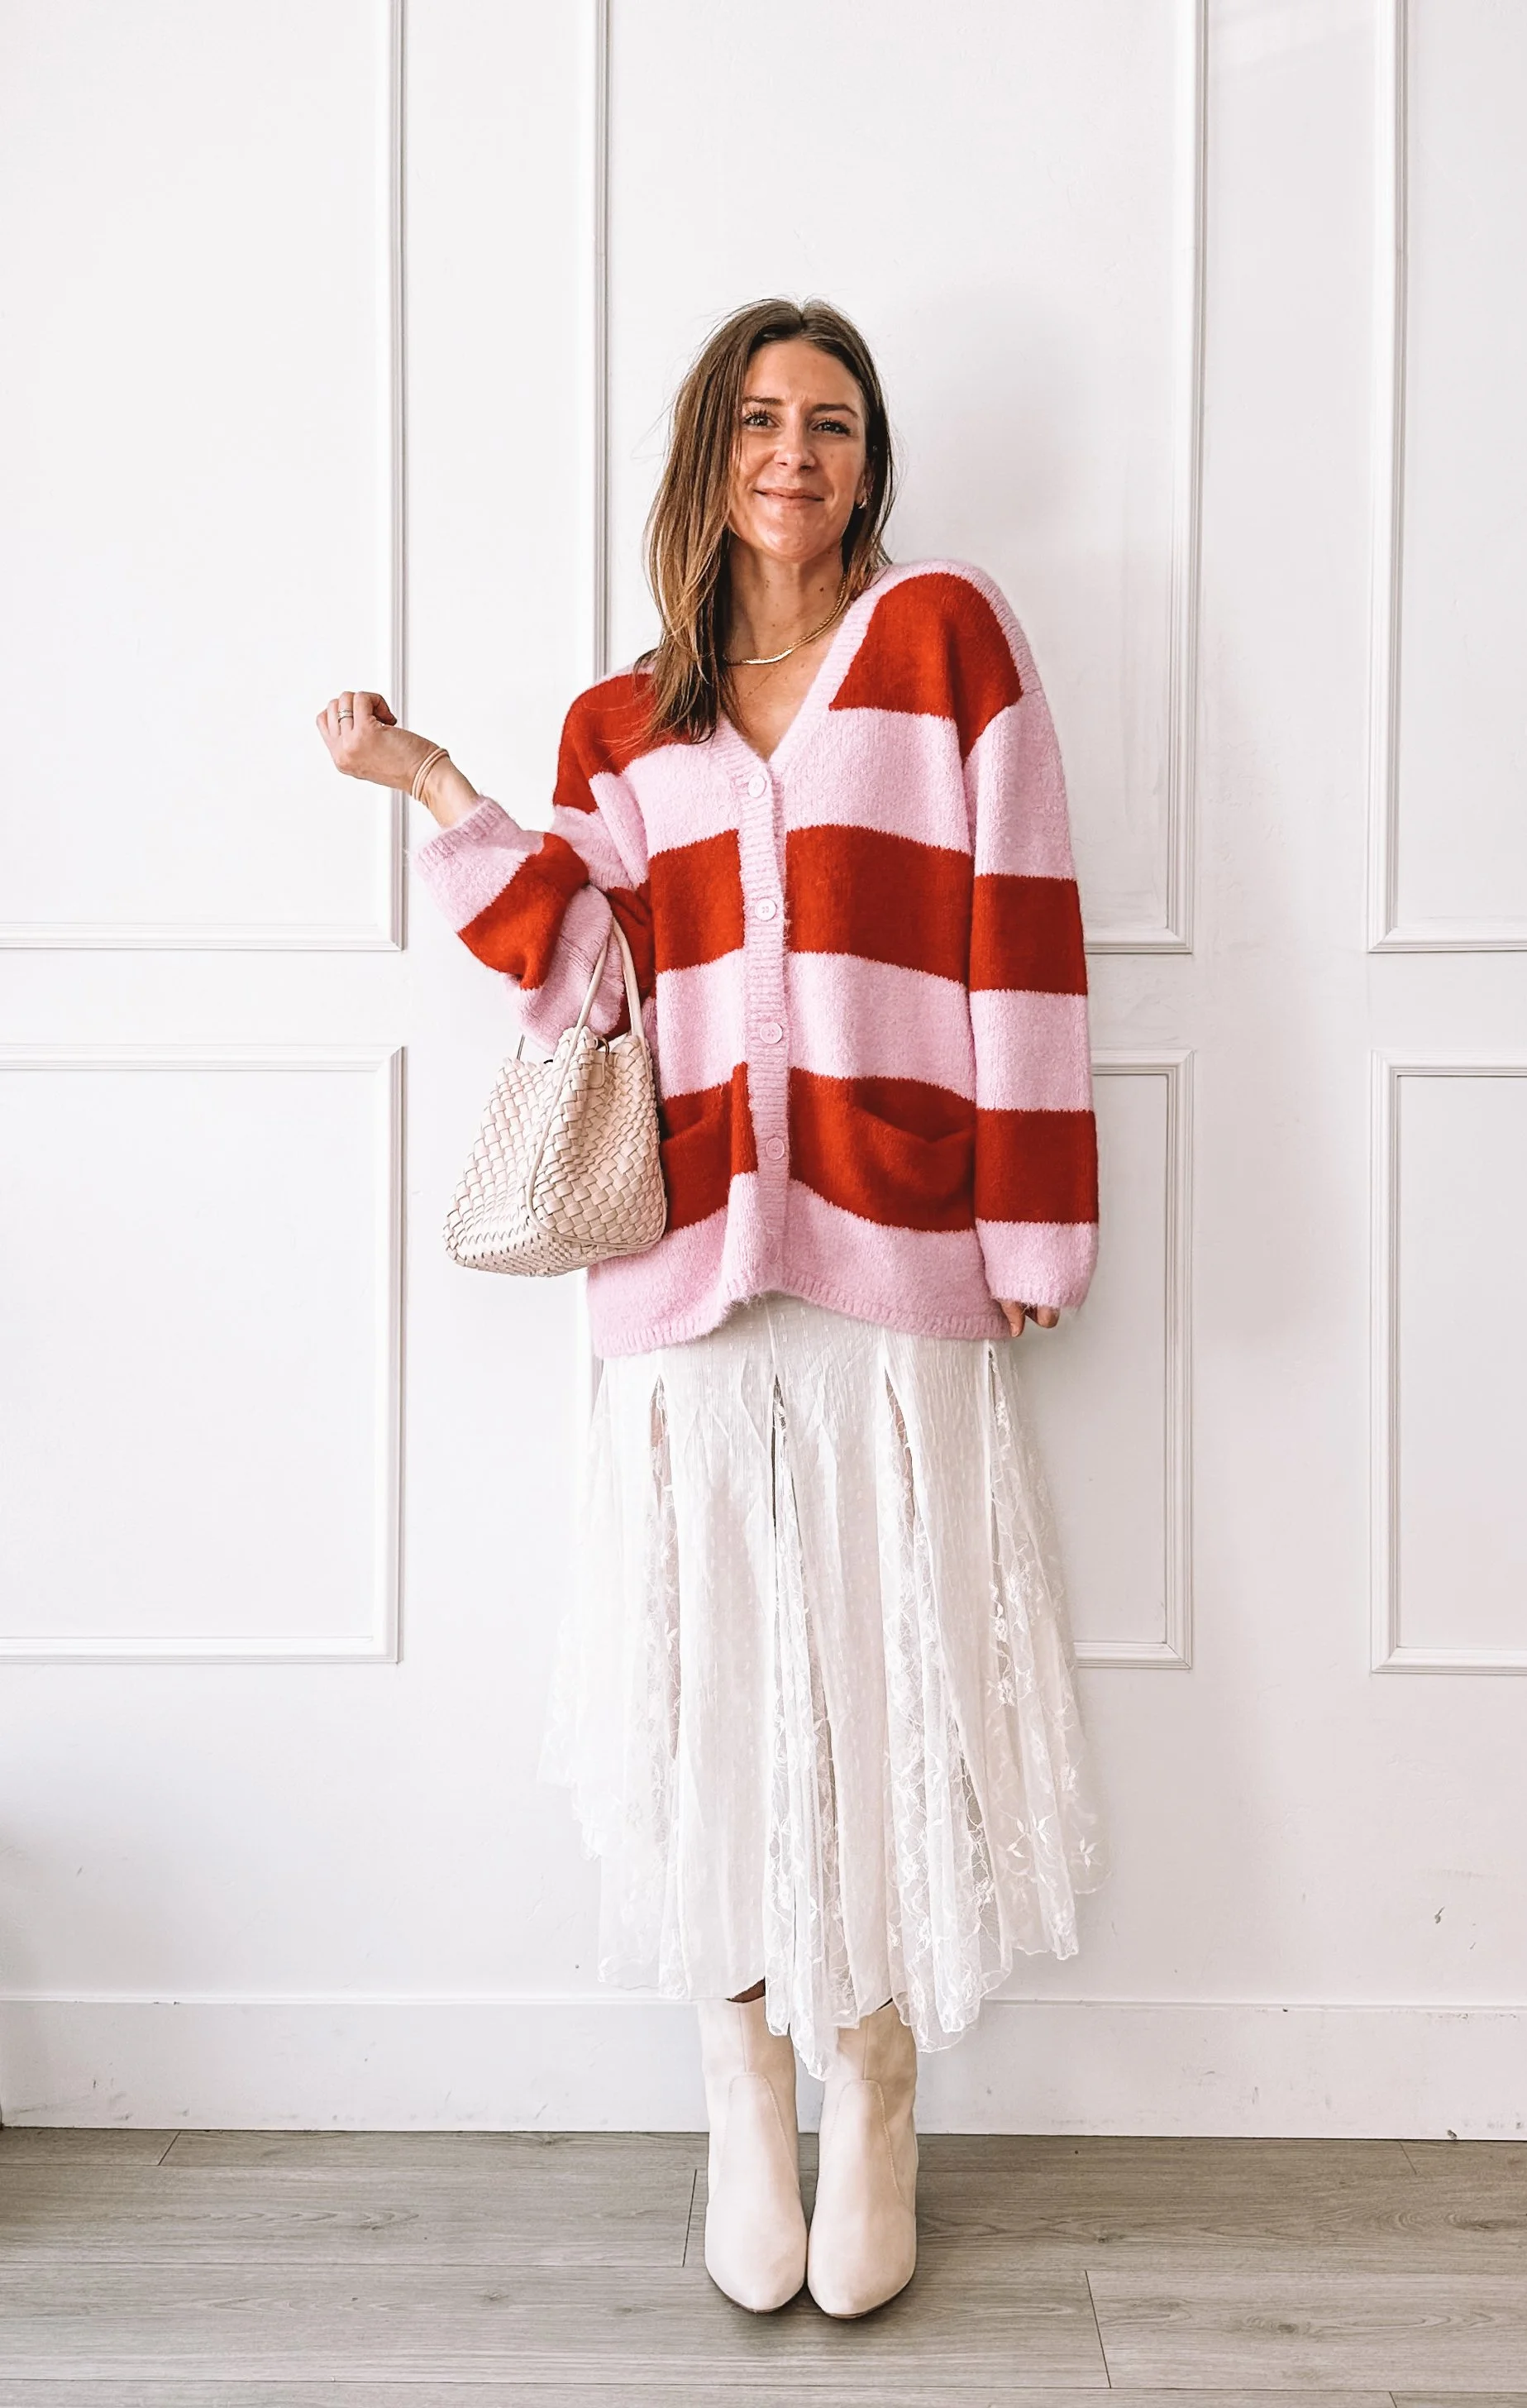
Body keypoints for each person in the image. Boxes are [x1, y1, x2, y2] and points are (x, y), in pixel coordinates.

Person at [318, 296, 1109, 2320]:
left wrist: (1034, 1225)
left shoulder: (946, 638)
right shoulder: (625, 717)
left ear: (869, 457)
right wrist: (432, 784)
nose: (793, 452)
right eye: (759, 418)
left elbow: (1020, 930)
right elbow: (587, 976)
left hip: (896, 1251)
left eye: (829, 422)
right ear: (710, 452)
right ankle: (743, 2079)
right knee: (715, 1700)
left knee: (881, 1686)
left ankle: (875, 2075)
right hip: (681, 1278)